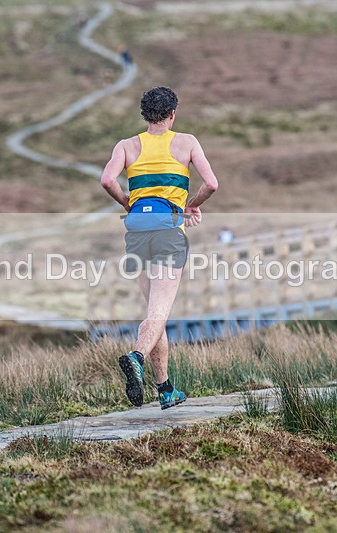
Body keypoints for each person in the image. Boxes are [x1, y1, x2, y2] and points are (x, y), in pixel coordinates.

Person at [100, 86, 219, 409]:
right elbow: (211, 184)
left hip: (137, 234)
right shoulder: (186, 142)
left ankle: (165, 389)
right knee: (157, 313)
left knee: (154, 314)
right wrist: (189, 206)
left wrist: (129, 204)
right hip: (168, 233)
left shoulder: (126, 146)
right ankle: (136, 357)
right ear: (172, 114)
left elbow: (107, 180)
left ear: (145, 115)